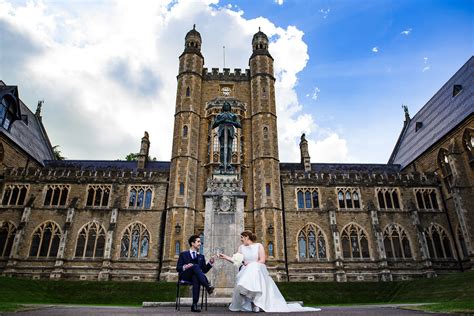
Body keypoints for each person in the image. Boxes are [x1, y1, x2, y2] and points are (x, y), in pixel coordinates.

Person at [218, 231, 321, 313]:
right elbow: (236, 260)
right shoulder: (241, 248)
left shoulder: (259, 246)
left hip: (258, 268)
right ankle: (251, 300)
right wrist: (225, 257)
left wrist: (251, 264)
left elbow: (262, 260)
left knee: (253, 268)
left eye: (242, 237)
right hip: (247, 270)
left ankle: (256, 303)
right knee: (247, 273)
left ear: (247, 237)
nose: (241, 240)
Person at [176, 235, 215, 313]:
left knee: (196, 277)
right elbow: (178, 268)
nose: (200, 244)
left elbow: (204, 270)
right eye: (198, 241)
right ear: (192, 243)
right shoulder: (183, 254)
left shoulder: (201, 256)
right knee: (195, 266)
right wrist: (185, 266)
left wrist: (210, 263)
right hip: (185, 276)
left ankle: (194, 305)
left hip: (195, 276)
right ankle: (207, 286)